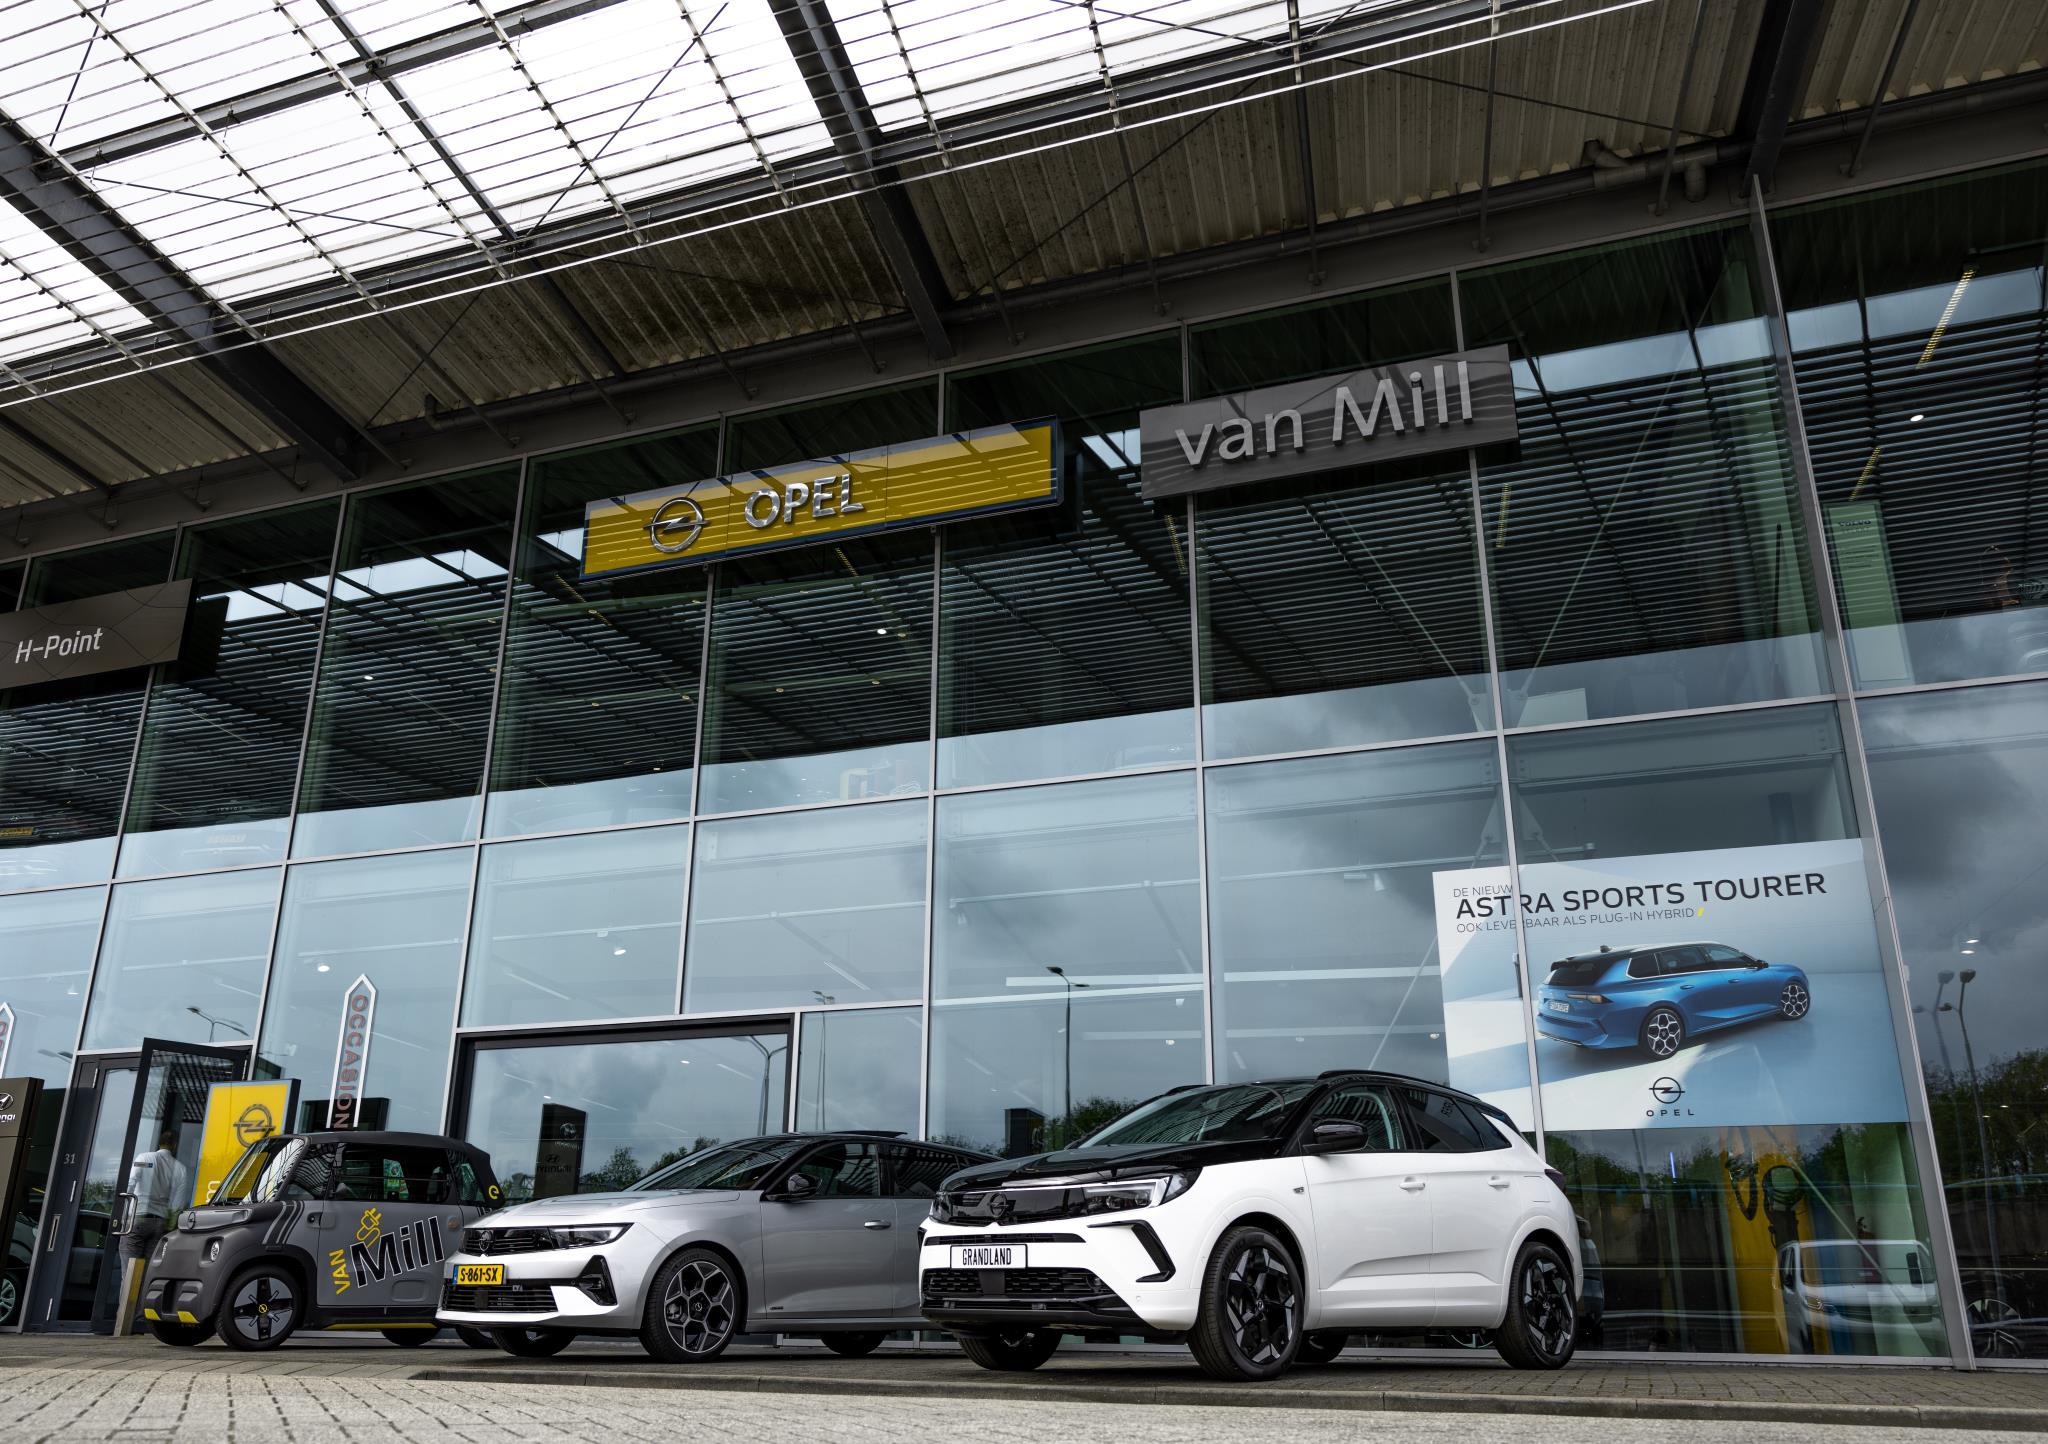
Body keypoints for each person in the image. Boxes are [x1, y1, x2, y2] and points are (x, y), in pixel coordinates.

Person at [122, 1127, 191, 1265]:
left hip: (138, 1217)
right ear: (175, 1145)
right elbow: (178, 1204)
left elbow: (130, 1183)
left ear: (159, 1143)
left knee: (129, 1267)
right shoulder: (181, 1169)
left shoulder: (144, 1158)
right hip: (159, 1222)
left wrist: (124, 1215)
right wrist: (169, 1227)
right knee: (148, 1268)